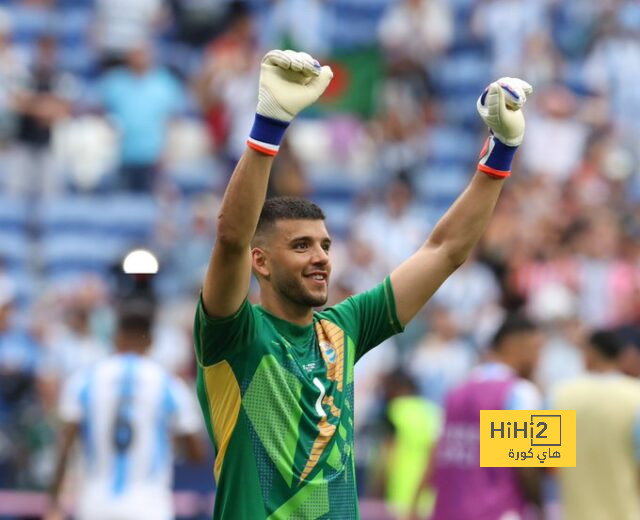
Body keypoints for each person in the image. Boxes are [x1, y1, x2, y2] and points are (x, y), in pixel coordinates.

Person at [193, 48, 533, 519]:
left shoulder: (345, 330)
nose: (321, 259)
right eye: (302, 246)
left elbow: (444, 251)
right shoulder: (235, 335)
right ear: (261, 262)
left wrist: (500, 157)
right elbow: (230, 239)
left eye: (327, 246)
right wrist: (267, 126)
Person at [45, 299, 205, 520]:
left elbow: (65, 446)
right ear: (151, 341)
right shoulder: (168, 384)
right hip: (148, 505)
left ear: (116, 337)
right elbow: (196, 453)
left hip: (96, 503)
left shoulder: (84, 380)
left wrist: (54, 502)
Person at [425, 314, 544, 520]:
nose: (538, 360)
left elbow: (434, 453)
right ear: (512, 346)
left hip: (447, 512)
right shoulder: (520, 392)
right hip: (499, 512)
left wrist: (414, 503)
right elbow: (528, 466)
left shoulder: (456, 390)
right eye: (535, 349)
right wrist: (540, 507)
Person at [551, 329, 640, 520]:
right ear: (622, 356)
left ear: (588, 354)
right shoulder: (636, 397)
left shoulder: (557, 396)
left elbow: (529, 467)